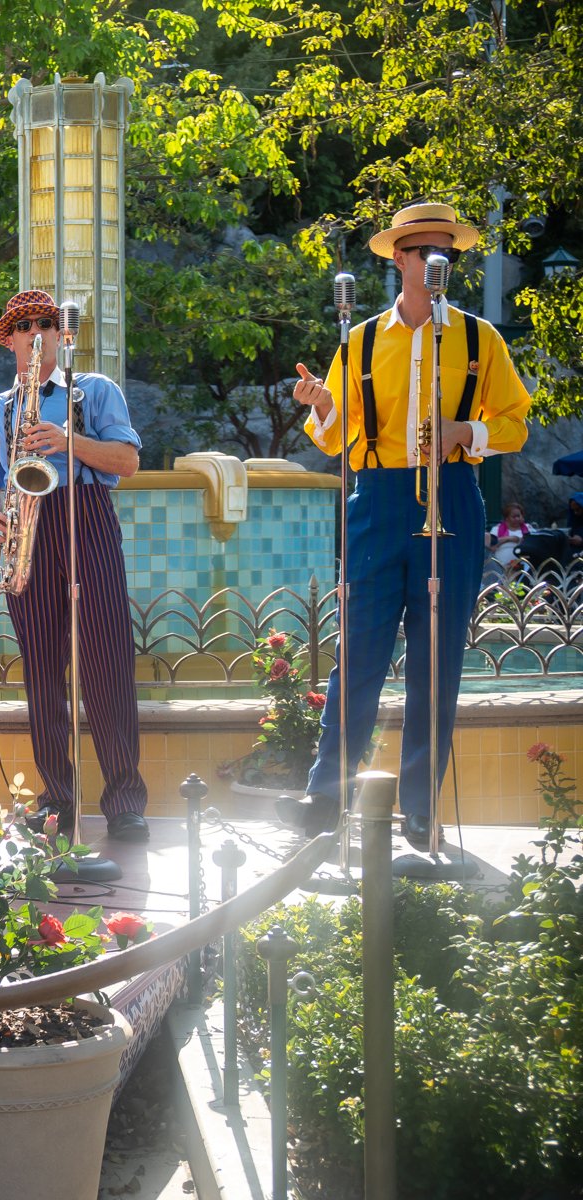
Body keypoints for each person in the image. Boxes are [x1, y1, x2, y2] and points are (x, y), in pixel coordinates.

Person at [291, 201, 531, 848]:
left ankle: (421, 812)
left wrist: (465, 431)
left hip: (452, 493)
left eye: (442, 251)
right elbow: (335, 434)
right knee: (357, 657)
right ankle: (324, 803)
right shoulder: (362, 339)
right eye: (419, 250)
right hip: (378, 496)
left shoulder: (480, 339)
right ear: (396, 260)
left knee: (437, 663)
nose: (431, 261)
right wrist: (319, 407)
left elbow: (516, 422)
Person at [0, 289, 150, 843]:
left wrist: (70, 441)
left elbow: (129, 461)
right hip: (28, 528)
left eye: (45, 322)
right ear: (11, 341)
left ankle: (124, 800)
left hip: (85, 515)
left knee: (107, 663)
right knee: (42, 673)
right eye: (24, 326)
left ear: (61, 335)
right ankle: (57, 800)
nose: (36, 332)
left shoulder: (94, 391)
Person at [486, 500, 529, 578]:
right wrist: (510, 539)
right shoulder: (497, 529)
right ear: (507, 518)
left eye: (518, 516)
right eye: (514, 517)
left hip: (522, 569)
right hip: (501, 568)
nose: (517, 519)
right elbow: (492, 547)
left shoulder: (528, 529)